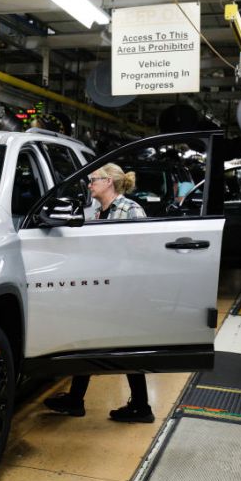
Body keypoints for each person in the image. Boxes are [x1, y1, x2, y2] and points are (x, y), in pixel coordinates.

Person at [44, 163, 155, 423]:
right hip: (105, 288)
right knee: (91, 339)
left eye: (94, 179)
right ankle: (79, 400)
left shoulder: (131, 210)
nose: (89, 183)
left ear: (108, 182)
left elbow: (147, 252)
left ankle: (140, 406)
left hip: (125, 290)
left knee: (123, 345)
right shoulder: (97, 211)